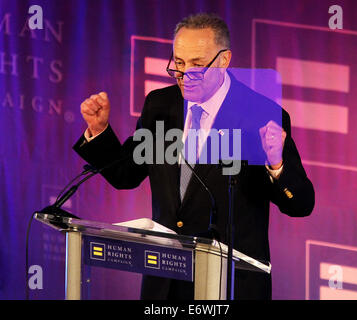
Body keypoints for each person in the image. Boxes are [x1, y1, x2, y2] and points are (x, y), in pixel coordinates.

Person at [73, 13, 314, 300]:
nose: (185, 75)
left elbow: (300, 204)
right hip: (165, 283)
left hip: (230, 286)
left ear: (224, 60)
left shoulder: (260, 115)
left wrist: (276, 164)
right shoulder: (160, 104)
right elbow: (126, 173)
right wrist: (99, 131)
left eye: (198, 64)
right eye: (179, 63)